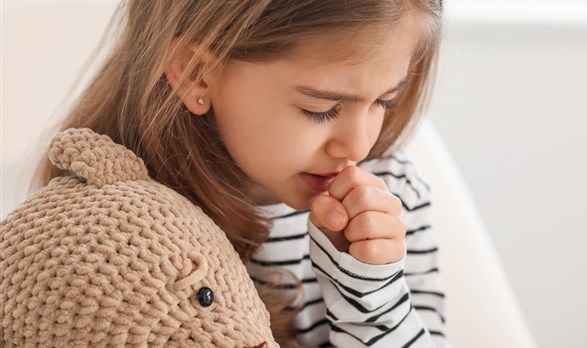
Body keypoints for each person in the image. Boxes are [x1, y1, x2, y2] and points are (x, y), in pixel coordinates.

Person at [28, 0, 447, 346]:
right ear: (196, 74)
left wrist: (372, 293)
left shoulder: (393, 189)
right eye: (322, 109)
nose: (358, 147)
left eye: (384, 101)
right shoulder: (119, 224)